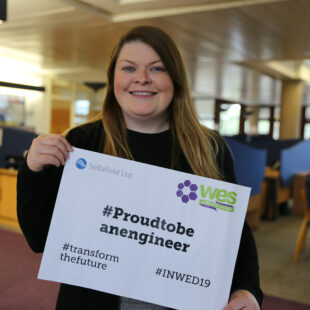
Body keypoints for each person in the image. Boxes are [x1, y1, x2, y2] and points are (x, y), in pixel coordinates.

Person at [17, 25, 263, 310]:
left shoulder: (210, 149)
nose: (142, 79)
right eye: (129, 68)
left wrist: (248, 289)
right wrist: (32, 169)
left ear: (176, 79)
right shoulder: (81, 143)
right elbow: (39, 238)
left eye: (157, 69)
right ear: (113, 79)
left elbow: (234, 234)